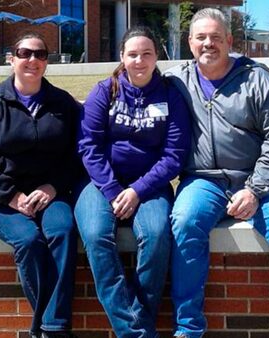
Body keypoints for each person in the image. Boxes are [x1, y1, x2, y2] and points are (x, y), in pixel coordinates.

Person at [165, 8, 269, 338]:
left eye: (217, 37)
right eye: (201, 37)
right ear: (189, 42)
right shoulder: (177, 81)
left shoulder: (257, 78)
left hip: (261, 181)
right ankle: (188, 328)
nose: (209, 43)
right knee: (184, 221)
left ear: (230, 41)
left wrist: (254, 189)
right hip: (203, 180)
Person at [75, 26, 191, 338]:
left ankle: (138, 323)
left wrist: (138, 190)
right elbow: (89, 146)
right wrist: (114, 191)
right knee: (97, 235)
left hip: (150, 185)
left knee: (155, 235)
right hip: (101, 184)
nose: (139, 60)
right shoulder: (105, 91)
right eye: (132, 54)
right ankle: (135, 332)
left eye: (147, 53)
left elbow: (174, 155)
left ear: (157, 57)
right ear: (122, 58)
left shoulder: (170, 95)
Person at [0, 32, 80, 338]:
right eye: (24, 53)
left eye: (40, 55)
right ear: (11, 59)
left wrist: (53, 187)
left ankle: (51, 329)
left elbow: (79, 154)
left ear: (46, 62)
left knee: (63, 231)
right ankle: (48, 327)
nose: (32, 60)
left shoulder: (62, 103)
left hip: (48, 194)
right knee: (28, 240)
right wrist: (11, 195)